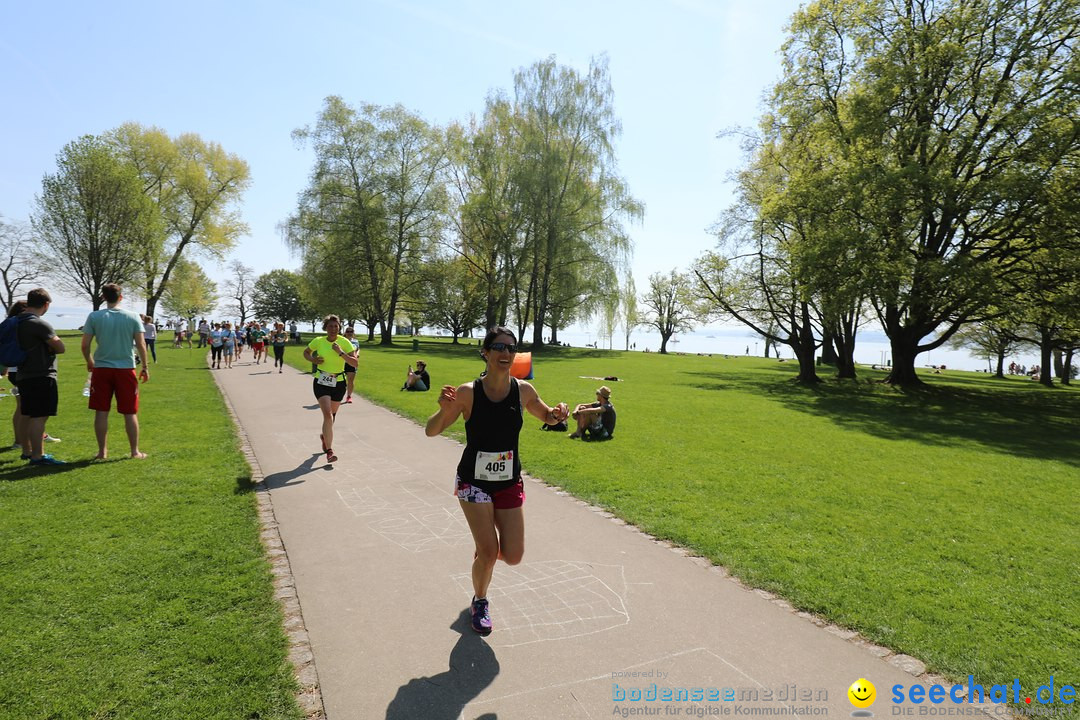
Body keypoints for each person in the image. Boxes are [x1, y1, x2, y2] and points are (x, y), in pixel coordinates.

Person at [425, 327, 569, 636]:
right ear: (486, 352)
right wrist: (443, 409)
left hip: (508, 480)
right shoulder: (468, 393)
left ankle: (484, 554)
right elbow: (432, 430)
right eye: (499, 347)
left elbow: (547, 417)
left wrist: (558, 414)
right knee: (490, 553)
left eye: (511, 348)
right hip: (473, 482)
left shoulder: (523, 391)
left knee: (513, 556)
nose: (506, 353)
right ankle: (480, 600)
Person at [81, 283, 149, 460]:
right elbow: (141, 345)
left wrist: (89, 361)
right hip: (125, 368)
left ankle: (102, 451)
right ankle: (135, 452)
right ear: (121, 297)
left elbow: (85, 344)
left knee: (101, 411)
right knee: (129, 412)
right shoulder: (133, 316)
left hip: (102, 368)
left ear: (104, 297)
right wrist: (145, 367)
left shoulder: (95, 316)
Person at [13, 288, 66, 466]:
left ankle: (26, 451)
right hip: (41, 374)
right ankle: (38, 455)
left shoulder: (15, 321)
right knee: (39, 416)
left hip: (22, 373)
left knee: (26, 414)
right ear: (46, 304)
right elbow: (60, 347)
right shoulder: (38, 323)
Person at [303, 315, 357, 463]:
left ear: (339, 328)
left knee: (332, 416)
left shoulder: (344, 342)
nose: (333, 329)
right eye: (330, 326)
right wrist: (313, 360)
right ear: (325, 328)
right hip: (321, 381)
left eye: (336, 327)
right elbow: (306, 352)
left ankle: (324, 436)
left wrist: (340, 352)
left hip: (339, 383)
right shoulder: (318, 341)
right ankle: (329, 451)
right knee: (328, 415)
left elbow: (355, 363)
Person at [342, 326, 360, 403]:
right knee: (339, 380)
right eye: (348, 331)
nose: (349, 333)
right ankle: (335, 395)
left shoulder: (355, 341)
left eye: (351, 331)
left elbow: (358, 349)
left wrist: (357, 354)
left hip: (352, 363)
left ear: (353, 333)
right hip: (342, 362)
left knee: (350, 380)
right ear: (345, 333)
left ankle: (349, 396)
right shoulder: (342, 341)